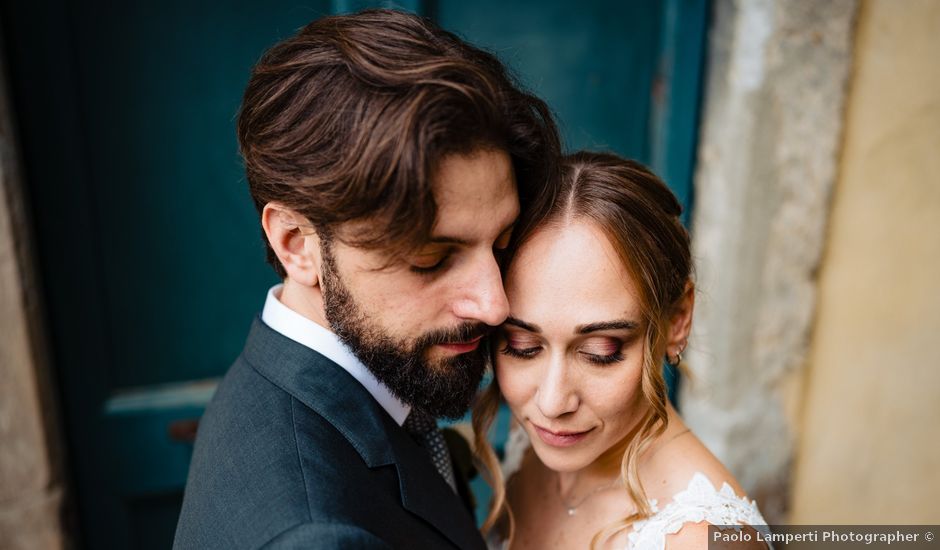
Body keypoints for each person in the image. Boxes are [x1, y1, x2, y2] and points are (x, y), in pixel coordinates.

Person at [174, 9, 560, 549]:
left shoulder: (297, 382)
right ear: (296, 243)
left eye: (501, 244)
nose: (494, 305)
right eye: (430, 258)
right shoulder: (316, 536)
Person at [472, 152, 769, 549]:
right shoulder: (537, 441)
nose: (553, 402)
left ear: (677, 320)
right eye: (523, 346)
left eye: (599, 351)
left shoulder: (698, 539)